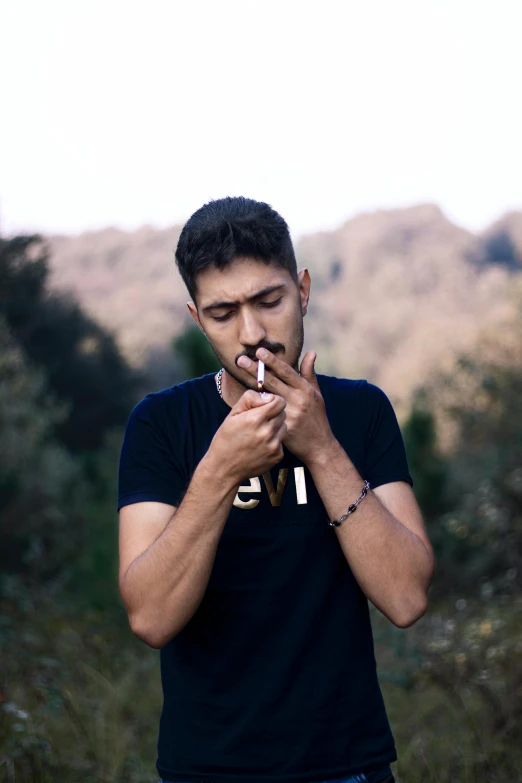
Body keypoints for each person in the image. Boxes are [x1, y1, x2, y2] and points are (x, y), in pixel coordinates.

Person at [117, 196, 435, 783]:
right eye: (222, 313)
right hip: (206, 768)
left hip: (348, 765)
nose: (253, 332)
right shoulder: (160, 423)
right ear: (196, 319)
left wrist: (321, 448)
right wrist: (218, 469)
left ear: (303, 289)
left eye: (270, 300)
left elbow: (407, 599)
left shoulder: (361, 410)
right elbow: (151, 617)